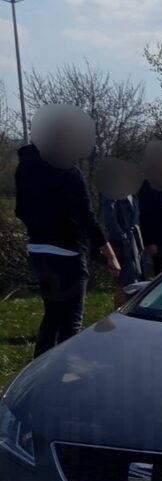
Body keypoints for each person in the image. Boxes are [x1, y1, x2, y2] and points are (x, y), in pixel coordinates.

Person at [14, 115, 120, 357]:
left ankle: (37, 373)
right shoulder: (68, 171)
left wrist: (40, 226)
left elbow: (20, 209)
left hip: (38, 250)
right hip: (67, 253)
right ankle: (66, 374)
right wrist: (108, 252)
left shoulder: (26, 168)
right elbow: (86, 215)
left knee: (52, 314)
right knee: (71, 321)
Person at [99, 180, 145, 308]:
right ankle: (120, 312)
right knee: (123, 282)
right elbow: (110, 219)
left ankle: (133, 309)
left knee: (136, 280)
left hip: (135, 243)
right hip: (121, 245)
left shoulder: (133, 195)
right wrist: (122, 238)